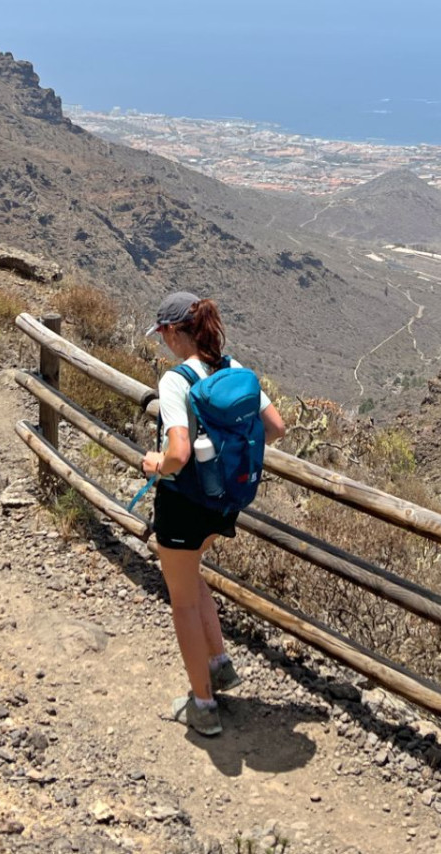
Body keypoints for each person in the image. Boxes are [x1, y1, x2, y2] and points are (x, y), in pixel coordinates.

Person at [141, 290, 285, 737]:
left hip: (184, 504)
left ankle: (203, 705)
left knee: (181, 599)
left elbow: (178, 452)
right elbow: (276, 428)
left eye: (163, 333)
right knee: (193, 575)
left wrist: (154, 463)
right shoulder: (235, 369)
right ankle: (219, 664)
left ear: (171, 332)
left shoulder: (175, 381)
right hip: (224, 500)